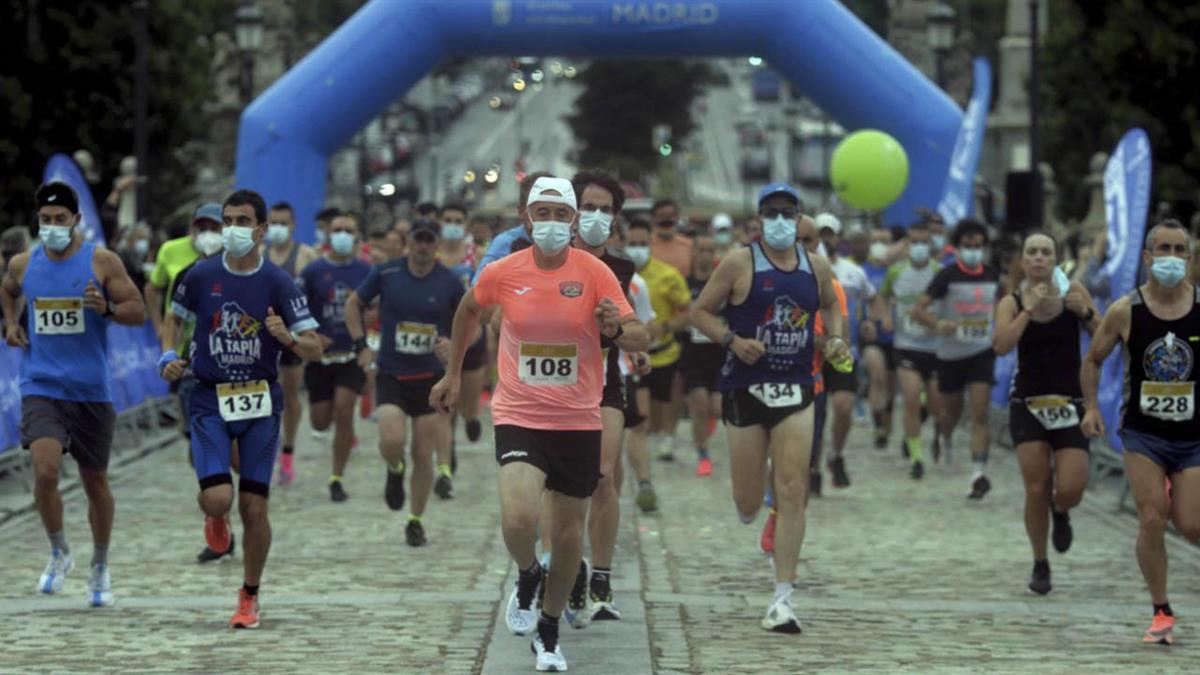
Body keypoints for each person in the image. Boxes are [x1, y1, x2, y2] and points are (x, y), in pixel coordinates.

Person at [429, 177, 638, 672]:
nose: (549, 223)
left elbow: (637, 333)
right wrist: (453, 373)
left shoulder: (596, 272)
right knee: (520, 517)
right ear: (526, 220)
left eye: (558, 214)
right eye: (539, 214)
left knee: (568, 538)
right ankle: (527, 573)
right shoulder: (504, 270)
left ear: (571, 221)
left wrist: (616, 329)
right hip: (520, 414)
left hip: (578, 420)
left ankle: (548, 630)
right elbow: (468, 312)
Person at [158, 189, 322, 628]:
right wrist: (166, 355)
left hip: (260, 402)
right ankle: (215, 518)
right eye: (227, 220)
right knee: (217, 496)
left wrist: (285, 336)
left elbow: (315, 347)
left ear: (261, 230)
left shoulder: (279, 283)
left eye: (241, 221)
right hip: (209, 396)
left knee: (255, 508)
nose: (232, 229)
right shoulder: (198, 274)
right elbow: (172, 318)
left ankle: (249, 595)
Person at [691, 182, 849, 633]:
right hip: (745, 387)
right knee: (746, 499)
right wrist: (732, 341)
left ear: (800, 219)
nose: (780, 220)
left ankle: (783, 597)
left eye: (788, 212)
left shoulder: (815, 265)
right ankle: (754, 513)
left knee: (793, 488)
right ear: (758, 219)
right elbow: (699, 312)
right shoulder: (740, 262)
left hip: (797, 386)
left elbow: (831, 305)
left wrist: (835, 336)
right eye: (771, 212)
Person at [2, 182, 145, 607]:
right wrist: (11, 324)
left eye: (59, 220)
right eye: (44, 221)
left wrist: (107, 308)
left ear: (76, 220)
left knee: (94, 482)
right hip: (41, 385)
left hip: (90, 390)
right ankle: (59, 550)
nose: (51, 227)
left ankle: (100, 564)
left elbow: (136, 310)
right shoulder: (24, 263)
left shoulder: (101, 261)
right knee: (44, 472)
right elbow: (8, 289)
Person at [1082, 219, 1199, 646]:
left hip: (1194, 436)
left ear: (1189, 257)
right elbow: (1093, 358)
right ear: (1148, 257)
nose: (1171, 257)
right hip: (1143, 434)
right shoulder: (1125, 309)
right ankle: (1162, 611)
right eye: (1163, 249)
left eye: (1179, 249)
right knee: (1152, 517)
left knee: (1191, 525)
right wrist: (1092, 407)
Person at [557, 169, 648, 628]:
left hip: (603, 383)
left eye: (604, 210)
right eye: (587, 207)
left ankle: (602, 574)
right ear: (571, 213)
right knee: (557, 485)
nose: (595, 216)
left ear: (615, 219)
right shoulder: (542, 259)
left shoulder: (622, 268)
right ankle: (569, 565)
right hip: (550, 387)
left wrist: (618, 332)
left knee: (603, 474)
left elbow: (634, 331)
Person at [994, 231, 1099, 595]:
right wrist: (1027, 310)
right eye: (1032, 252)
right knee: (1036, 486)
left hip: (1070, 402)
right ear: (1023, 261)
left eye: (1046, 253)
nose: (1039, 258)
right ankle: (1040, 563)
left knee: (1070, 486)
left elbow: (1105, 337)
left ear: (1055, 260)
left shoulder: (1074, 292)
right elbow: (1001, 345)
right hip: (1028, 403)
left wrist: (1084, 312)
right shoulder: (1011, 301)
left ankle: (1062, 509)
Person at [345, 219, 462, 547]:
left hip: (430, 379)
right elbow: (353, 304)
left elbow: (472, 320)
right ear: (409, 241)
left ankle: (415, 519)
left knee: (423, 454)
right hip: (392, 373)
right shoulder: (387, 273)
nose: (423, 245)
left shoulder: (449, 281)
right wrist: (360, 345)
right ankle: (394, 469)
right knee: (392, 438)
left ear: (436, 243)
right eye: (418, 239)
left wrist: (453, 344)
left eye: (429, 239)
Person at [913, 219, 1001, 497]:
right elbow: (918, 311)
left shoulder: (992, 275)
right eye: (968, 246)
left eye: (978, 246)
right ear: (958, 247)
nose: (974, 251)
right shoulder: (947, 276)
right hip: (950, 354)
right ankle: (944, 434)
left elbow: (1003, 305)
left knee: (979, 413)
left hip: (981, 352)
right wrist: (938, 324)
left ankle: (978, 474)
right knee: (952, 411)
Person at [298, 214, 371, 501]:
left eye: (348, 230)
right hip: (320, 357)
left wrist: (367, 339)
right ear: (328, 235)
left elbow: (377, 308)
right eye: (337, 230)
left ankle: (336, 477)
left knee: (344, 409)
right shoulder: (313, 271)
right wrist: (310, 336)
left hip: (350, 353)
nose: (342, 234)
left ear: (356, 236)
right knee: (319, 421)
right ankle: (334, 438)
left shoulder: (365, 271)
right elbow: (298, 311)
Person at [813, 212, 881, 488]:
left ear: (839, 238)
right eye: (821, 234)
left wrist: (870, 321)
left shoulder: (853, 272)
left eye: (831, 233)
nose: (826, 239)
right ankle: (813, 468)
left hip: (843, 352)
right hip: (812, 354)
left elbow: (874, 300)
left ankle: (836, 454)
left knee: (844, 406)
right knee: (816, 416)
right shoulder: (801, 270)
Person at [626, 218, 690, 475]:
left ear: (651, 245)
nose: (637, 249)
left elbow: (687, 312)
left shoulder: (668, 275)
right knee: (641, 411)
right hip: (629, 357)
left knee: (663, 402)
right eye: (632, 244)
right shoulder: (615, 274)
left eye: (642, 244)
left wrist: (663, 328)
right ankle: (641, 447)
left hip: (663, 353)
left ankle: (666, 435)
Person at [879, 222, 942, 479]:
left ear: (931, 245)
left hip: (935, 347)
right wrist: (886, 317)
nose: (918, 247)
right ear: (906, 244)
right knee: (912, 397)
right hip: (906, 345)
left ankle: (936, 434)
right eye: (913, 242)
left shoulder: (939, 272)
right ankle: (917, 457)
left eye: (923, 242)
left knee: (938, 407)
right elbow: (882, 297)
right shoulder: (896, 271)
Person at [264, 202, 319, 486]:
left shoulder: (306, 256)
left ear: (294, 225)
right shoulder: (259, 255)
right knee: (267, 395)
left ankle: (288, 451)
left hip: (293, 335)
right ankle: (267, 448)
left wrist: (311, 333)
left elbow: (317, 296)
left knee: (290, 396)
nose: (278, 228)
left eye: (283, 223)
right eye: (273, 223)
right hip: (262, 334)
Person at [438, 202, 486, 492]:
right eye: (448, 219)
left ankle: (471, 417)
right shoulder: (432, 255)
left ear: (466, 225)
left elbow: (486, 294)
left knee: (467, 401)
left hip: (472, 333)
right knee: (446, 404)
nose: (452, 223)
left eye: (458, 219)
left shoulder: (476, 256)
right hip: (442, 336)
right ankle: (446, 458)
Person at [145, 203, 224, 338]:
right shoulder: (170, 250)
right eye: (202, 228)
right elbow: (152, 289)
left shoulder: (231, 255)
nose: (208, 234)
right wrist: (159, 327)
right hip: (179, 336)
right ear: (192, 228)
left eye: (214, 228)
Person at [682, 232, 723, 476]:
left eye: (710, 250)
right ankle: (703, 452)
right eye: (702, 250)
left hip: (718, 353)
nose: (706, 255)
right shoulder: (684, 284)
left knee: (716, 408)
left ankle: (705, 426)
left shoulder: (721, 284)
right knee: (699, 404)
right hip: (693, 353)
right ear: (694, 252)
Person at [860, 226, 898, 449]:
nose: (880, 244)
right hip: (871, 334)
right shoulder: (862, 269)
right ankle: (878, 425)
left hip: (896, 336)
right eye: (876, 240)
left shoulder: (897, 270)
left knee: (891, 385)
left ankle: (888, 419)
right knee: (877, 377)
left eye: (885, 240)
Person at [649, 199, 693, 276]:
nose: (666, 220)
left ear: (677, 218)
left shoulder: (689, 245)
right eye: (661, 216)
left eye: (670, 216)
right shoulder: (645, 245)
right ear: (653, 218)